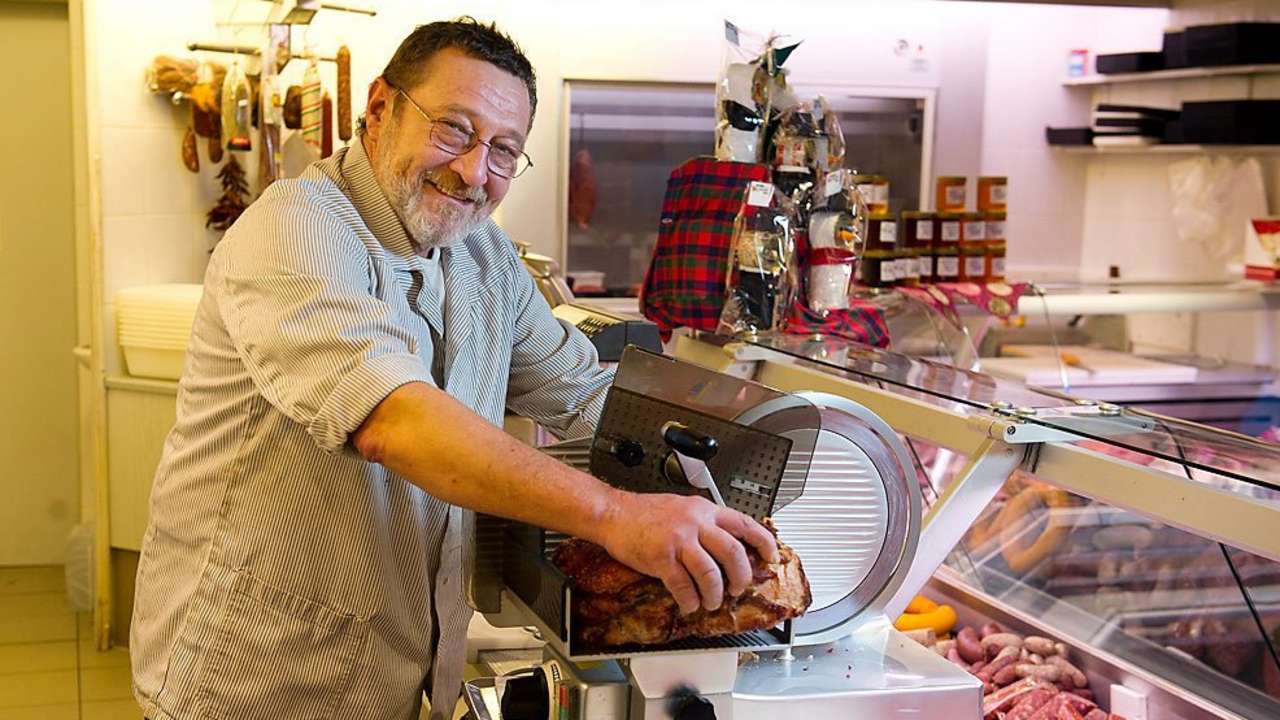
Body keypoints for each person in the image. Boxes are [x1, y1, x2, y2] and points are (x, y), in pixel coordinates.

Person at [130, 17, 778, 720]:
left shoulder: (484, 257)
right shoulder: (296, 228)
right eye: (453, 130)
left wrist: (728, 467)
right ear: (380, 108)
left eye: (503, 150)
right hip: (251, 677)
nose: (473, 171)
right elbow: (394, 421)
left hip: (390, 672)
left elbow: (586, 393)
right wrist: (615, 515)